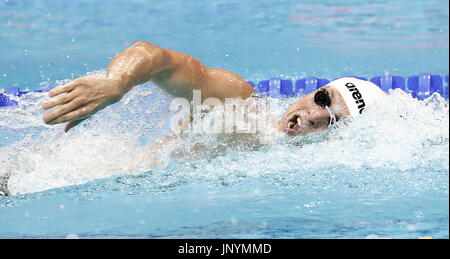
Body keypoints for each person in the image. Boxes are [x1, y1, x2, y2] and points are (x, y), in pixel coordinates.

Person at [41, 41, 386, 135]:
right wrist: (117, 82)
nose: (313, 116)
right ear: (313, 90)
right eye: (322, 99)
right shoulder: (238, 101)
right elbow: (154, 55)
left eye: (332, 120)